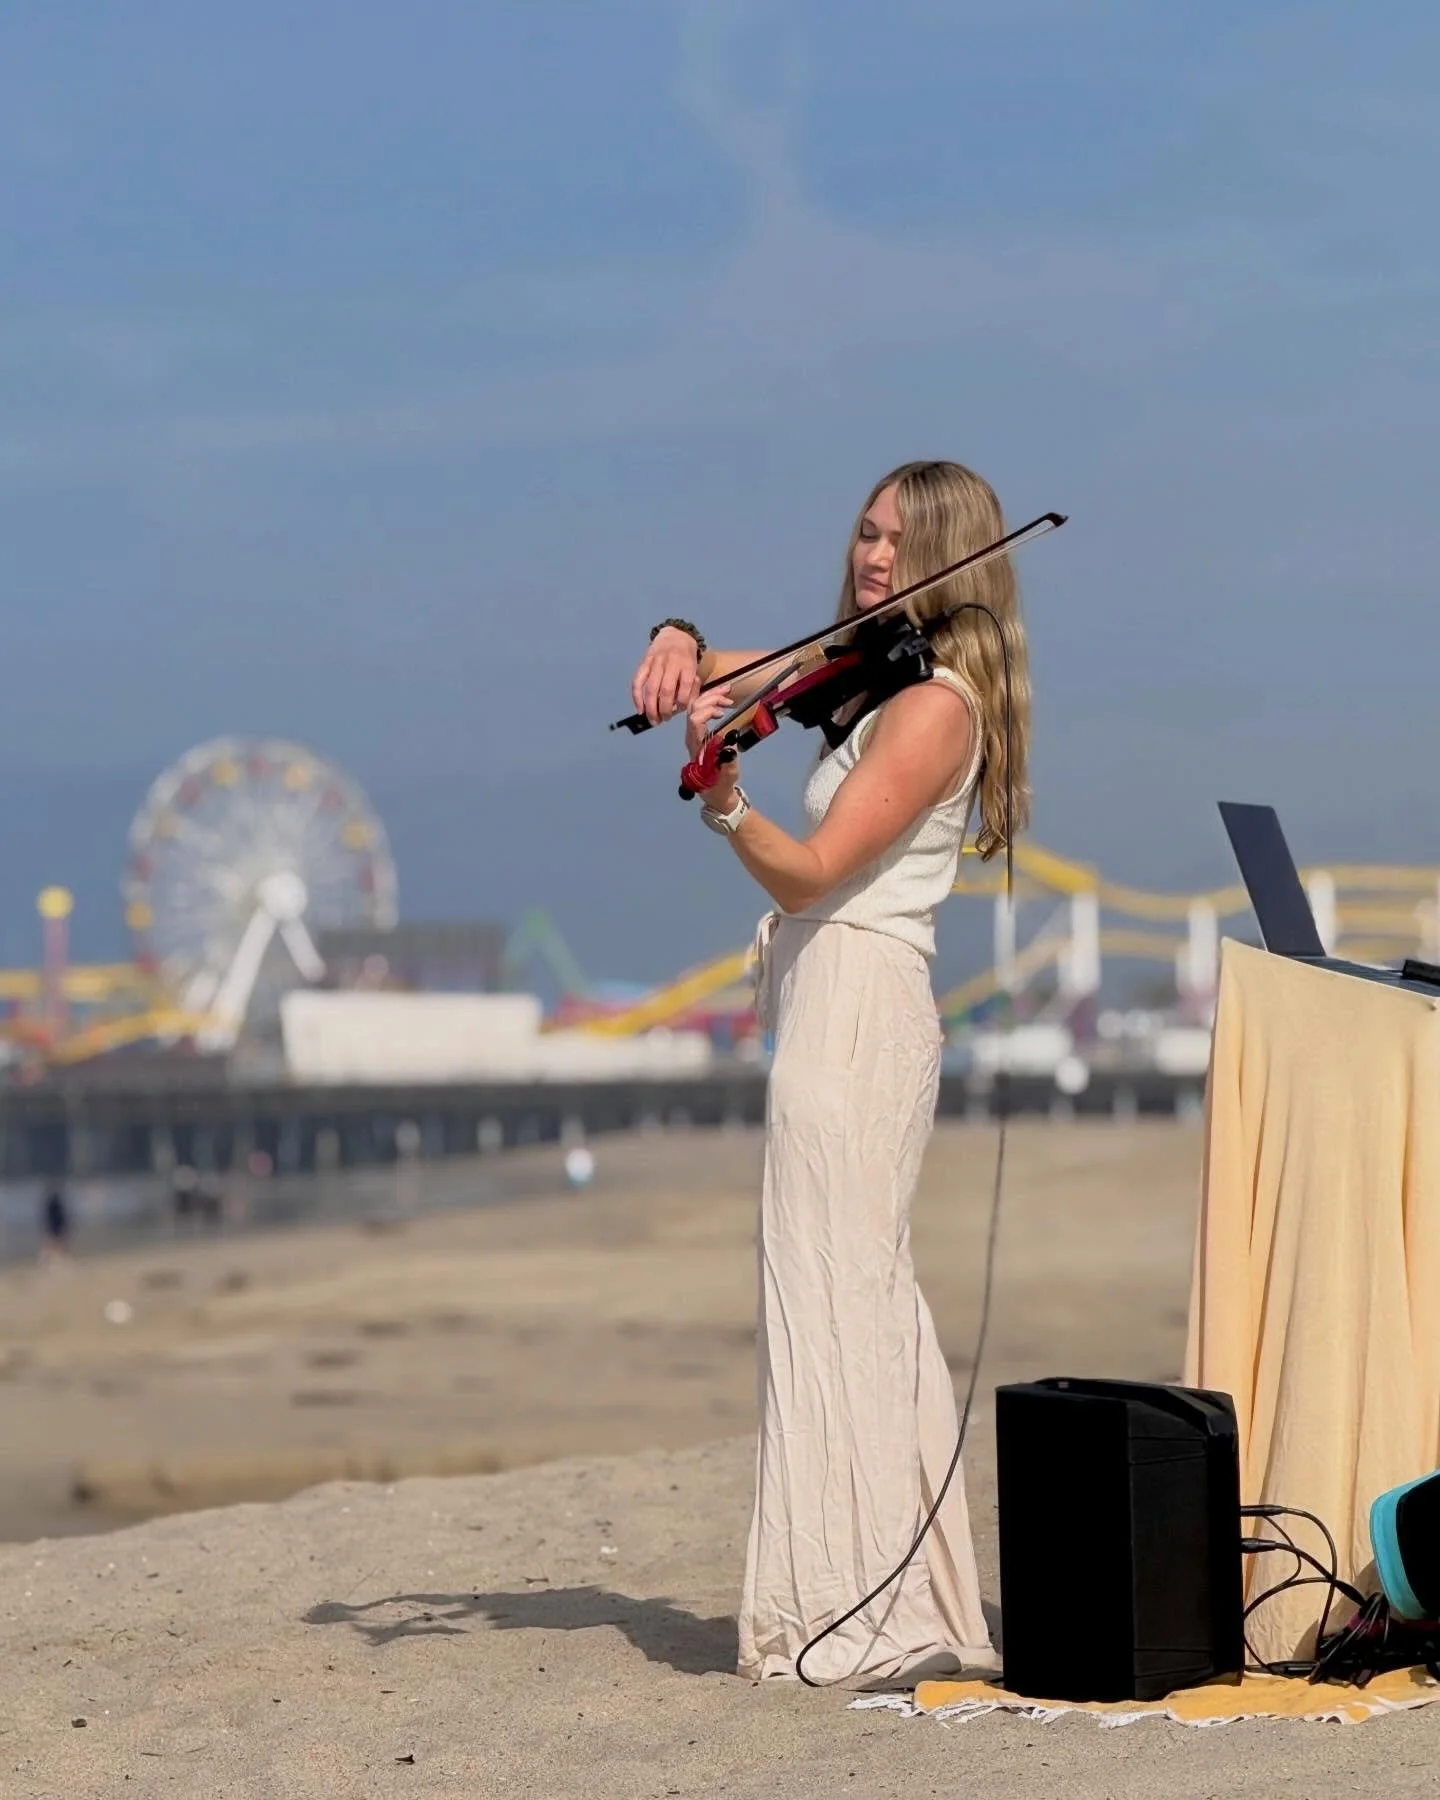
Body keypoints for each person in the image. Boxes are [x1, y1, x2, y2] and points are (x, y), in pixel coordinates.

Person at [629, 460, 1031, 1688]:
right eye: (863, 531)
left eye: (899, 541)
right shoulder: (868, 674)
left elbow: (812, 874)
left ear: (951, 553)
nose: (870, 555)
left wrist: (725, 803)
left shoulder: (936, 706)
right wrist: (680, 638)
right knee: (854, 1295)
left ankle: (846, 1611)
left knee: (835, 1296)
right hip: (829, 1005)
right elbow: (740, 667)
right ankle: (888, 1594)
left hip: (855, 1009)